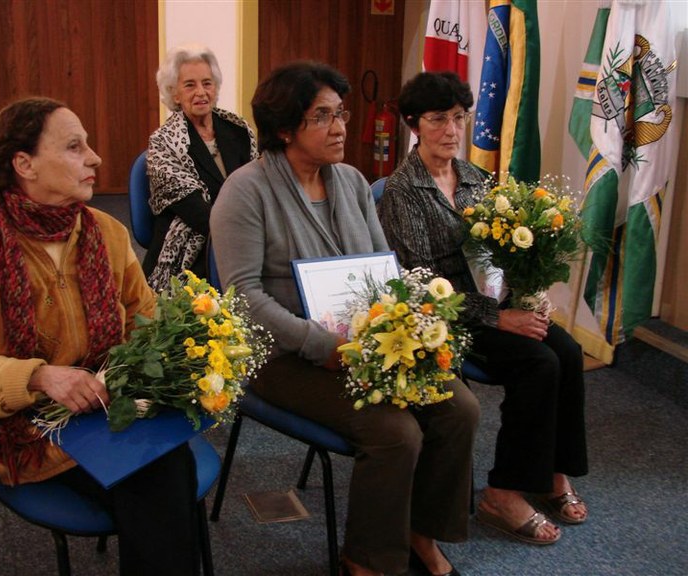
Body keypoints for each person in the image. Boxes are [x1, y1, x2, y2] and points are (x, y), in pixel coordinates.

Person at [210, 61, 479, 576]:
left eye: (340, 114)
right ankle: (367, 561)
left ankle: (418, 534)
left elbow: (386, 272)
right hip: (282, 356)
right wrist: (322, 346)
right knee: (397, 432)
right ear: (285, 128)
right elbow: (243, 298)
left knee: (459, 408)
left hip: (362, 347)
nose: (339, 128)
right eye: (322, 116)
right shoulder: (245, 191)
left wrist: (404, 328)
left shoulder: (353, 182)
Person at [0, 97, 201, 575]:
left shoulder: (106, 233)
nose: (95, 158)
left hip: (106, 404)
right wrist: (38, 377)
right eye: (74, 147)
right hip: (25, 427)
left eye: (87, 145)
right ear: (24, 164)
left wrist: (151, 367)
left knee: (166, 469)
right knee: (161, 482)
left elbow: (145, 318)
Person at [377, 71, 589, 546]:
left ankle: (553, 473)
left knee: (569, 351)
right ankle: (503, 492)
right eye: (438, 119)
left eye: (459, 118)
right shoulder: (402, 192)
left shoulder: (476, 178)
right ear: (413, 124)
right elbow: (423, 284)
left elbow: (500, 253)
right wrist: (499, 317)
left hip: (495, 299)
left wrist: (528, 291)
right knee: (539, 363)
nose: (452, 130)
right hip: (446, 316)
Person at [143, 43, 257, 290]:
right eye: (190, 85)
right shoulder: (163, 142)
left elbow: (256, 189)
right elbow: (197, 213)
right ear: (174, 94)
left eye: (207, 83)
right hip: (189, 247)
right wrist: (249, 233)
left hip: (241, 231)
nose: (201, 92)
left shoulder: (239, 130)